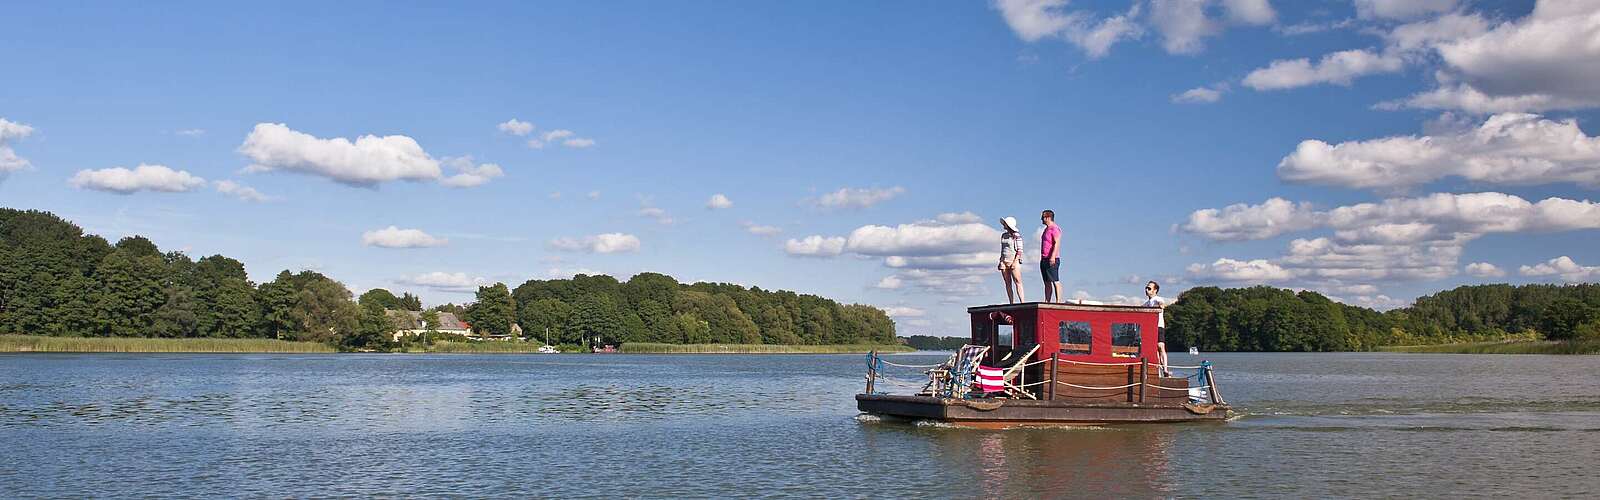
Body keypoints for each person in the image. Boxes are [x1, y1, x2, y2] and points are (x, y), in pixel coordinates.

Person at [1142, 280, 1171, 376]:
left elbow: (1161, 303)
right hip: (1150, 328)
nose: (1147, 290)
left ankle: (1165, 370)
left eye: (1149, 288)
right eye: (1146, 288)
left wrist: (1161, 305)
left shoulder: (1157, 298)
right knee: (1154, 349)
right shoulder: (1146, 303)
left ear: (1155, 290)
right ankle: (1158, 371)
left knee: (1161, 346)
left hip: (1159, 326)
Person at [997, 216, 1025, 304]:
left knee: (1017, 281)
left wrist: (1015, 261)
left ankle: (1022, 302)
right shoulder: (1003, 235)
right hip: (1004, 260)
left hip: (1014, 260)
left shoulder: (1017, 236)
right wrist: (1001, 260)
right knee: (1007, 283)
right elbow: (1002, 248)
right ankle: (1011, 302)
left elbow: (1020, 250)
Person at [1039, 210, 1062, 303]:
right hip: (1044, 258)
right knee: (1046, 282)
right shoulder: (1046, 229)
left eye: (1043, 217)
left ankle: (1058, 301)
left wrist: (1052, 257)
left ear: (1048, 217)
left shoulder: (1055, 229)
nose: (1041, 219)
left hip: (1052, 258)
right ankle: (1047, 301)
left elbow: (1057, 243)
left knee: (1055, 280)